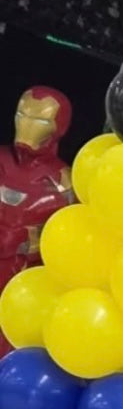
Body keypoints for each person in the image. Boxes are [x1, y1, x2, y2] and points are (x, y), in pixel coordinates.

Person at [0, 87, 73, 295]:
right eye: (21, 115)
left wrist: (21, 239)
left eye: (41, 121)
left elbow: (63, 243)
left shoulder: (63, 183)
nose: (26, 125)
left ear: (59, 128)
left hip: (22, 287)